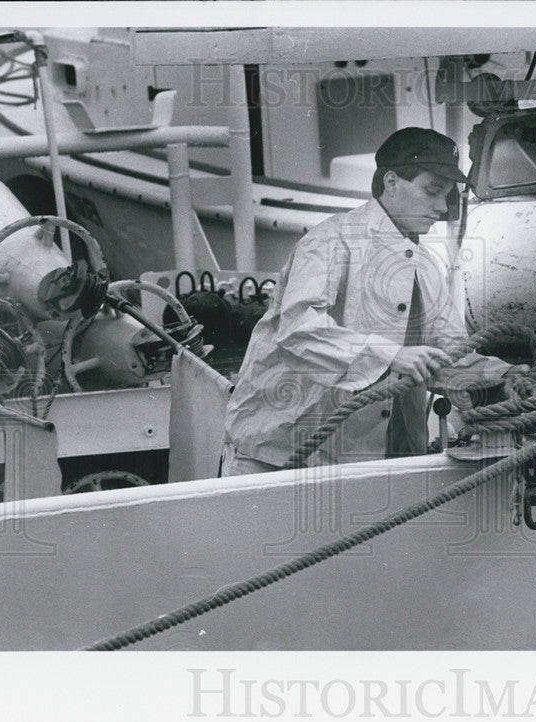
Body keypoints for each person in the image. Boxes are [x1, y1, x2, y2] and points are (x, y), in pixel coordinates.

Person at [222, 127, 519, 475]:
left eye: (447, 196)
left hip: (369, 460)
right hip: (278, 454)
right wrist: (391, 354)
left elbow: (447, 352)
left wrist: (499, 375)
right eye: (432, 191)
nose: (441, 208)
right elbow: (299, 330)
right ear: (391, 182)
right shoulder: (330, 241)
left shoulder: (426, 266)